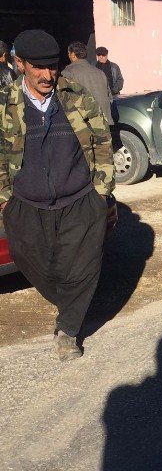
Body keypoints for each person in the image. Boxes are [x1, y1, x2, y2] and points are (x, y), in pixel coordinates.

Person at [0, 30, 116, 360]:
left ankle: (67, 330)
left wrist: (102, 192)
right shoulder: (3, 104)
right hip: (25, 204)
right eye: (39, 68)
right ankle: (69, 303)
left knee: (83, 267)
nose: (48, 75)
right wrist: (5, 199)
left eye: (53, 67)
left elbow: (102, 143)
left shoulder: (76, 97)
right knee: (31, 261)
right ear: (20, 63)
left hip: (80, 200)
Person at [62, 41, 113, 124]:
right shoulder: (100, 72)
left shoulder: (68, 72)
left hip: (84, 126)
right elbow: (110, 98)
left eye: (69, 53)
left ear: (73, 54)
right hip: (105, 123)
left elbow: (65, 102)